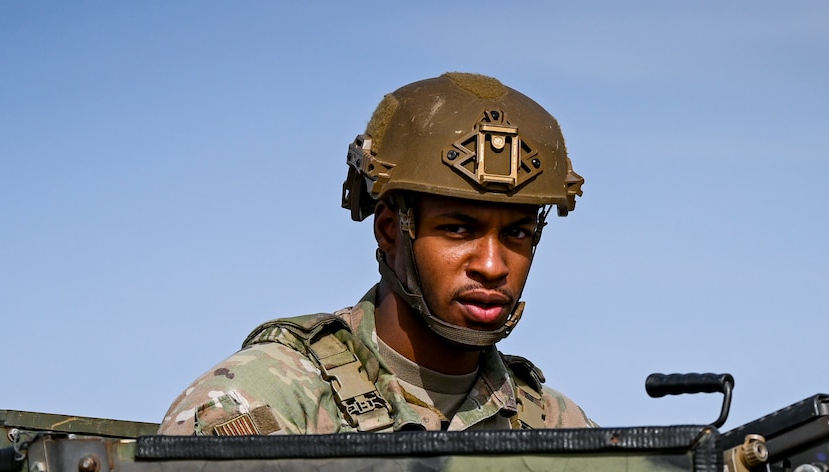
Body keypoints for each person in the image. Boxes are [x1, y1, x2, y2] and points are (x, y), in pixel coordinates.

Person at [158, 72, 595, 436]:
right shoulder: (269, 399)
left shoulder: (557, 425)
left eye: (517, 233)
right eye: (458, 229)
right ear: (389, 228)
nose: (492, 266)